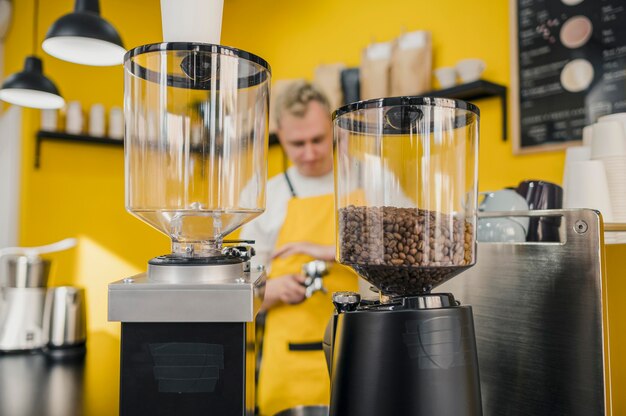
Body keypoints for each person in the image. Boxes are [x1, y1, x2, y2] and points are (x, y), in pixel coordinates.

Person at [240, 81, 358, 416]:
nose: (309, 153)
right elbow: (241, 286)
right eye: (297, 143)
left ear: (335, 129)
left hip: (365, 350)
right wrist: (270, 289)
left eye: (318, 139)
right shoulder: (265, 196)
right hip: (291, 366)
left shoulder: (370, 179)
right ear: (279, 134)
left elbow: (408, 258)